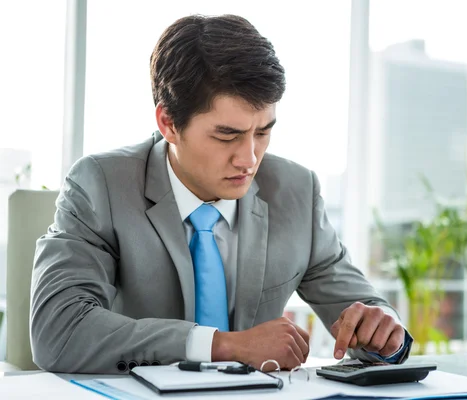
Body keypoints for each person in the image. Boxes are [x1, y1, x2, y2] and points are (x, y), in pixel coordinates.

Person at [30, 14, 412, 374]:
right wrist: (222, 345)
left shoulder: (296, 191)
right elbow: (58, 330)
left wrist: (383, 330)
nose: (249, 158)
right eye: (227, 134)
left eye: (262, 132)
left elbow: (363, 314)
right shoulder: (101, 185)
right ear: (169, 123)